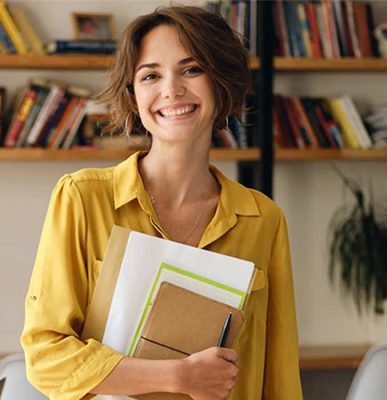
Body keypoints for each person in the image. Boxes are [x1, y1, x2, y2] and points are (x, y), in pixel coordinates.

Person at [21, 5, 302, 400]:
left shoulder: (263, 219)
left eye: (191, 69)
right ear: (133, 97)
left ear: (221, 83)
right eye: (150, 75)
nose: (171, 89)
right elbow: (45, 356)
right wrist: (178, 377)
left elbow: (279, 377)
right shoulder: (82, 198)